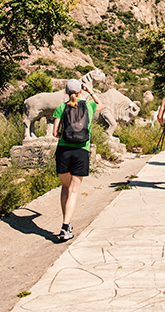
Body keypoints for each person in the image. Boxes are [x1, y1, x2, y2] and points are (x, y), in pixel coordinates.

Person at [52, 79, 101, 241]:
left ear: (67, 92)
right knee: (74, 191)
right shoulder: (88, 105)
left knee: (65, 187)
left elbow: (54, 133)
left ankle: (66, 222)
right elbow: (101, 105)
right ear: (80, 91)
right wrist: (90, 91)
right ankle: (66, 226)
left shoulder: (61, 107)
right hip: (81, 150)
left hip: (63, 151)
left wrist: (64, 138)